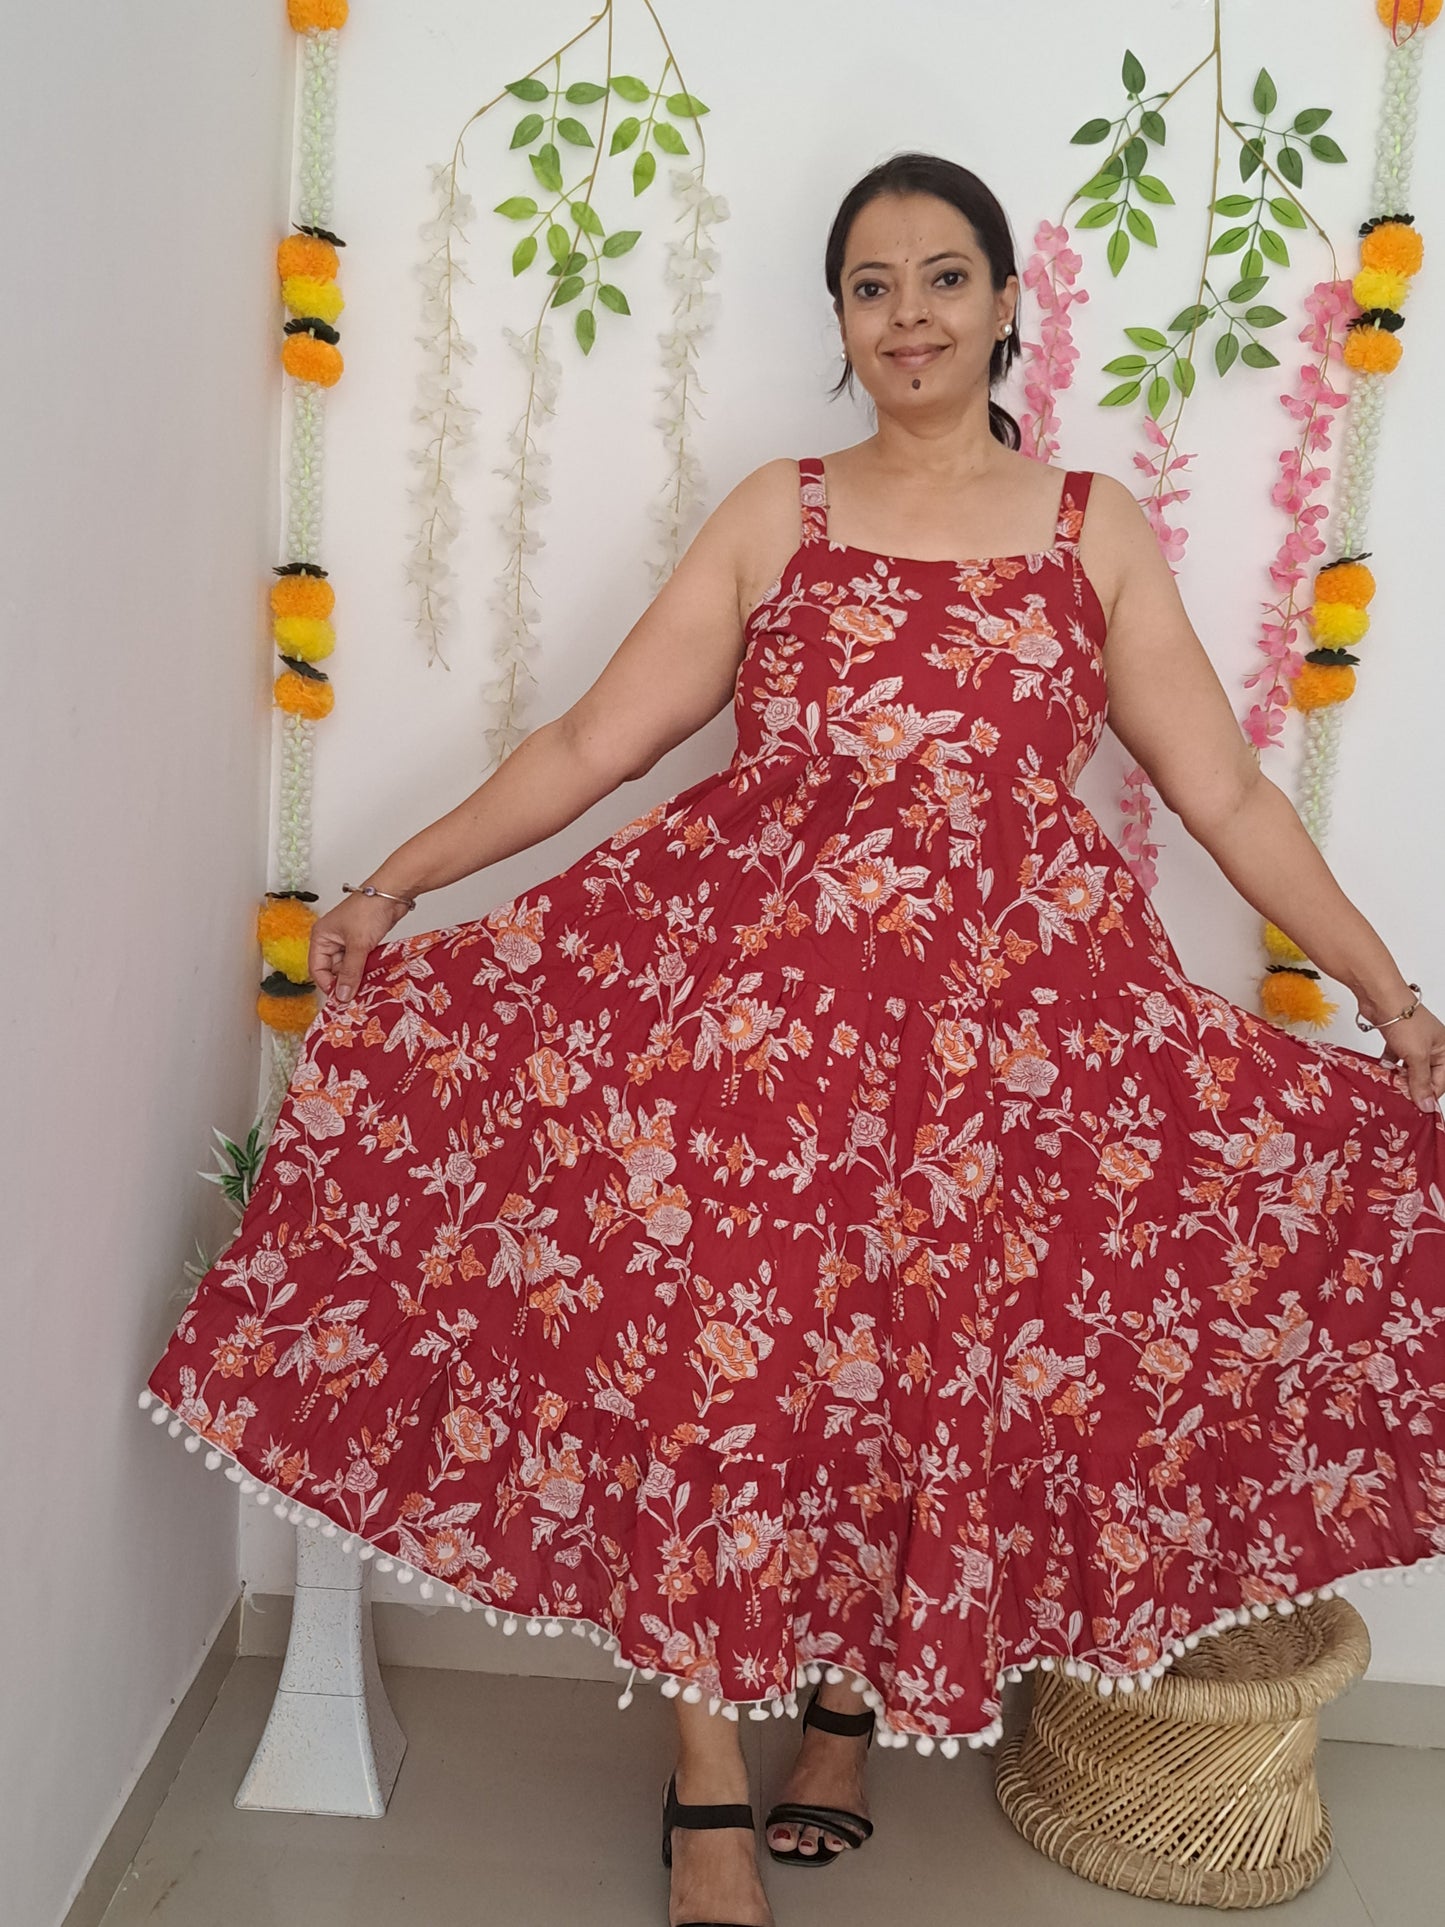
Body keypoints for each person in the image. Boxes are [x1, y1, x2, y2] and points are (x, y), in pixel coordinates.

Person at [144, 151, 1445, 1927]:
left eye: (940, 277)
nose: (906, 314)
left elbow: (1215, 789)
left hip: (1009, 1043)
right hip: (754, 1032)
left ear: (1002, 303)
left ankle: (842, 1709)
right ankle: (701, 1786)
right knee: (726, 1368)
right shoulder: (784, 510)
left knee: (916, 1370)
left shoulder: (1092, 525)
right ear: (838, 321)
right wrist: (395, 881)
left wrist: (1382, 989)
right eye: (869, 285)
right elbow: (601, 741)